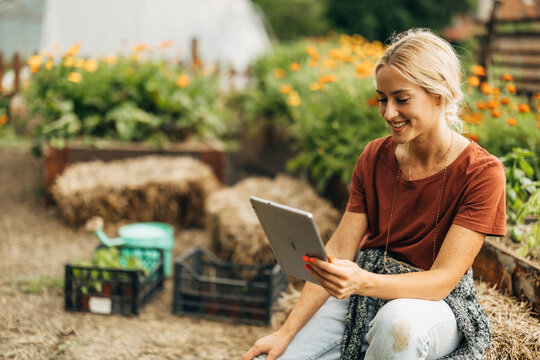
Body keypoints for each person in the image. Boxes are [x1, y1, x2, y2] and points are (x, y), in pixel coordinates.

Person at [243, 28, 506, 360]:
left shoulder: (482, 172)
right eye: (383, 98)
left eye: (402, 98)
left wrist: (362, 282)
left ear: (439, 94)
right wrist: (285, 333)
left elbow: (441, 281)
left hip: (434, 305)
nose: (388, 112)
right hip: (366, 291)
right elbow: (338, 249)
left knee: (397, 324)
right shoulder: (374, 156)